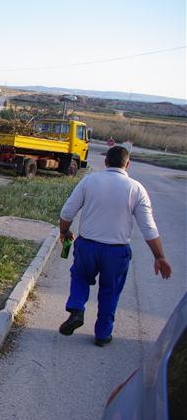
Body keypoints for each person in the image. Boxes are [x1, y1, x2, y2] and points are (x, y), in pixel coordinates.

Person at [57, 145, 171, 347]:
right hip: (117, 252)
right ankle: (102, 335)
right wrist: (159, 256)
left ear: (106, 162)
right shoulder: (136, 189)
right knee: (110, 291)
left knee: (80, 276)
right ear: (127, 164)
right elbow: (149, 228)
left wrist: (64, 232)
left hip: (88, 246)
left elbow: (67, 212)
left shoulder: (90, 180)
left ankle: (76, 309)